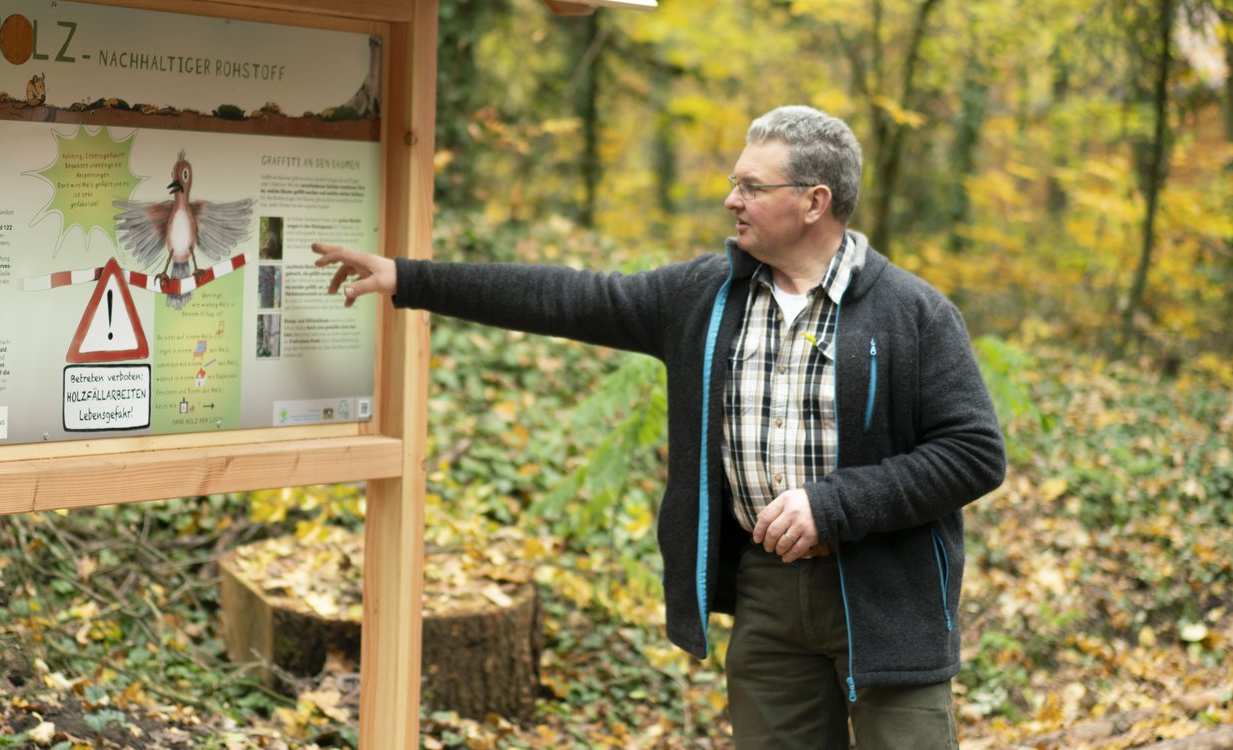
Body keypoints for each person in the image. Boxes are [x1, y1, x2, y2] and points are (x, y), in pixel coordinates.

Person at [313, 105, 1005, 748]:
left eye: (751, 186)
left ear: (814, 201)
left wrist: (833, 505)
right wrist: (407, 278)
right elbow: (567, 297)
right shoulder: (701, 297)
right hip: (768, 597)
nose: (732, 200)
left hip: (891, 600)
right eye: (734, 183)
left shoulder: (915, 312)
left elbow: (974, 453)